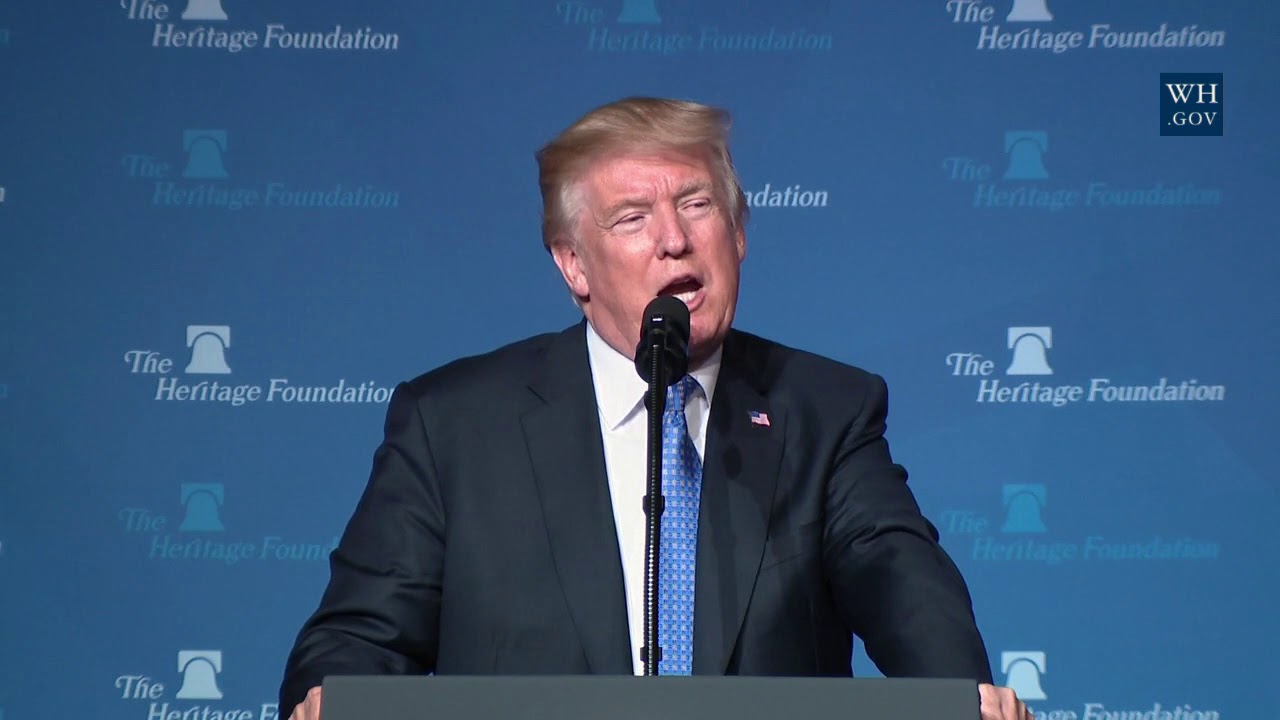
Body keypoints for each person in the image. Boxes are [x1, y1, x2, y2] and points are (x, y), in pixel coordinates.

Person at [279, 97, 1031, 720]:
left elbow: (901, 584)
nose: (675, 239)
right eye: (632, 218)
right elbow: (359, 638)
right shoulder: (452, 425)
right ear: (573, 263)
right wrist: (331, 698)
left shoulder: (824, 411)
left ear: (737, 234)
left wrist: (957, 698)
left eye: (697, 205)